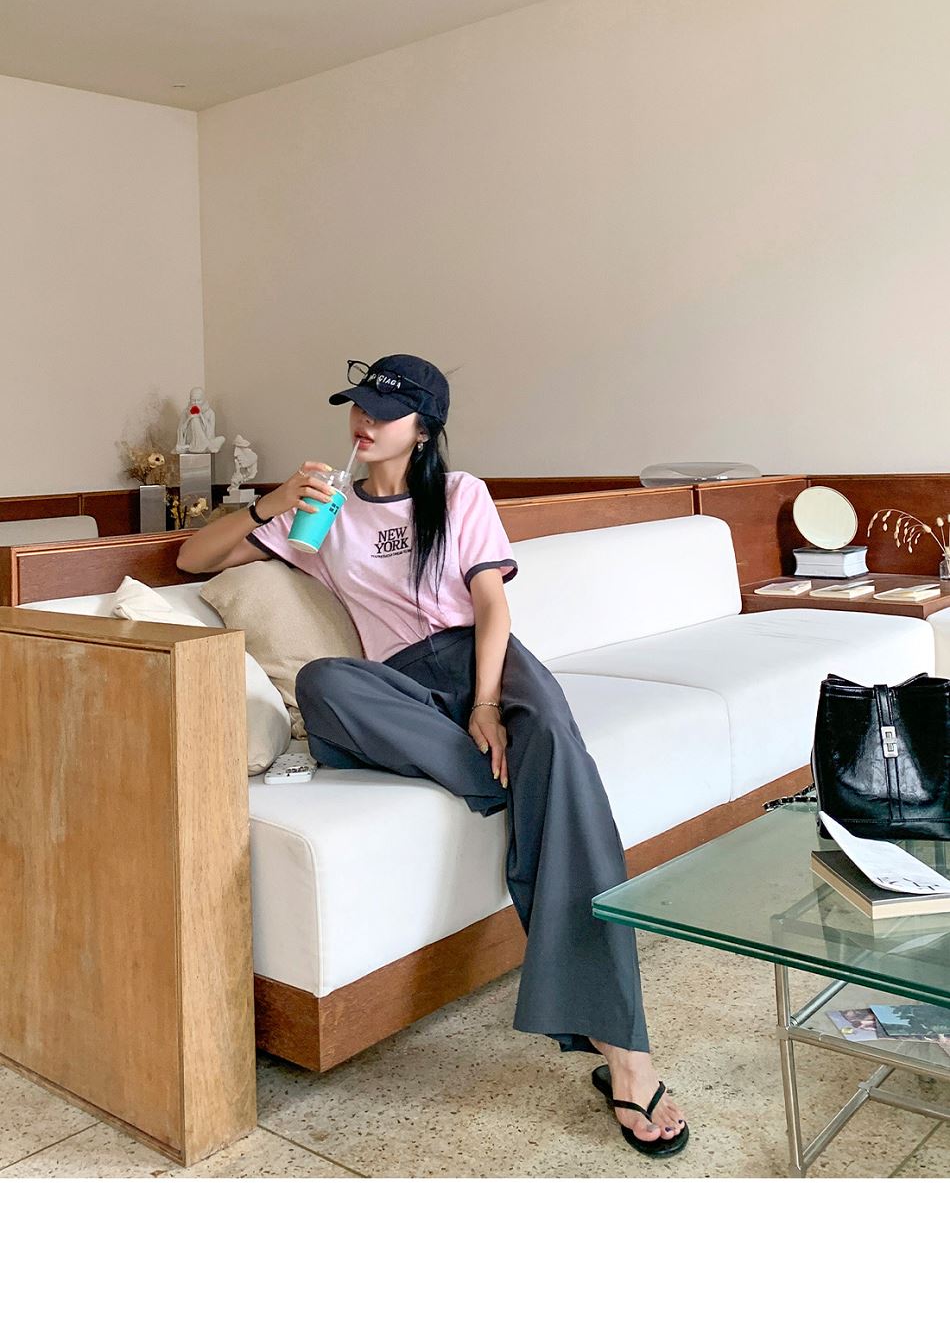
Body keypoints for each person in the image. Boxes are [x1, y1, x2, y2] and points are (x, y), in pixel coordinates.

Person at [178, 350, 688, 1158]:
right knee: (322, 680)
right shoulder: (328, 511)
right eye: (359, 406)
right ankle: (521, 788)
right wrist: (273, 502)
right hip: (397, 688)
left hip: (485, 661)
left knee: (553, 739)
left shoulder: (460, 494)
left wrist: (487, 703)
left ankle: (627, 1051)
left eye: (385, 412)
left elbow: (491, 605)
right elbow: (193, 559)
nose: (365, 421)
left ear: (423, 429)